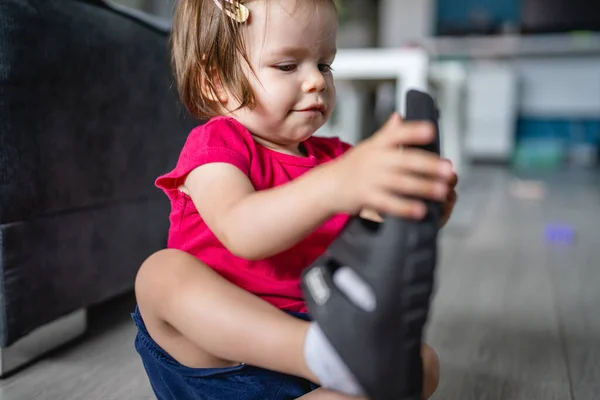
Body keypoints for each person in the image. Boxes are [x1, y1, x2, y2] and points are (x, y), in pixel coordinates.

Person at [132, 0, 458, 398]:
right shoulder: (217, 144)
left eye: (324, 65)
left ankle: (332, 359)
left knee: (420, 364)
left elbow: (374, 234)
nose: (317, 82)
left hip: (319, 338)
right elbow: (242, 230)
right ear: (215, 81)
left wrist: (415, 206)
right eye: (288, 66)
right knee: (160, 275)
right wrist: (335, 185)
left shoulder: (338, 158)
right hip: (217, 361)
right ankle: (320, 355)